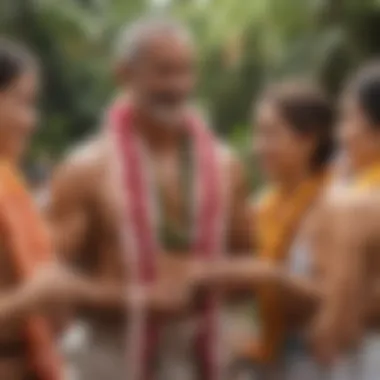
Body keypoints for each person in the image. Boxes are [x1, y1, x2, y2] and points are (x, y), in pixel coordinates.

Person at [45, 17, 251, 380]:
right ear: (124, 74)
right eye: (163, 72)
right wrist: (135, 299)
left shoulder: (225, 165)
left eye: (186, 72)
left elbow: (247, 265)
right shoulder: (85, 169)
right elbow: (48, 281)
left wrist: (210, 278)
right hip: (112, 356)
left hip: (202, 355)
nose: (177, 86)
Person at [192, 82, 336, 379]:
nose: (258, 146)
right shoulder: (263, 205)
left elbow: (342, 300)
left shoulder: (339, 203)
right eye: (257, 133)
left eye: (270, 134)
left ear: (308, 139)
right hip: (281, 358)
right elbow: (241, 276)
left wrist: (265, 273)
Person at [310, 62, 380, 379]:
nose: (341, 133)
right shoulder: (352, 188)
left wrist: (328, 328)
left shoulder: (356, 203)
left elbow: (338, 316)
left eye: (348, 118)